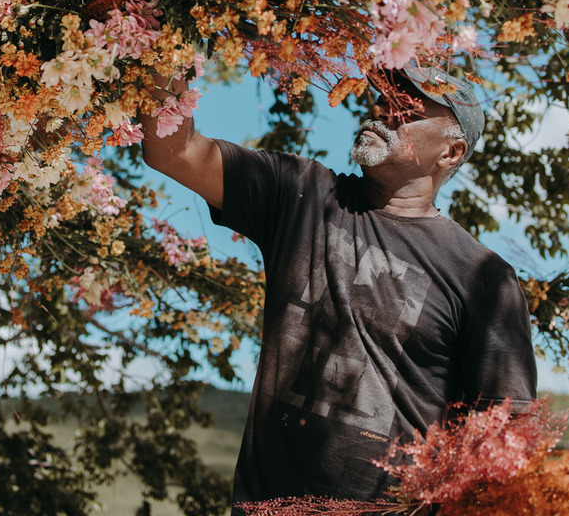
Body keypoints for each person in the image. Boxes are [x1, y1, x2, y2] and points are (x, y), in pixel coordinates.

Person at [140, 64, 537, 512]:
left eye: (406, 107)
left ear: (451, 151)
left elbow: (503, 444)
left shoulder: (482, 278)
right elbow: (174, 151)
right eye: (383, 95)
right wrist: (162, 42)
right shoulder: (299, 195)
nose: (381, 109)